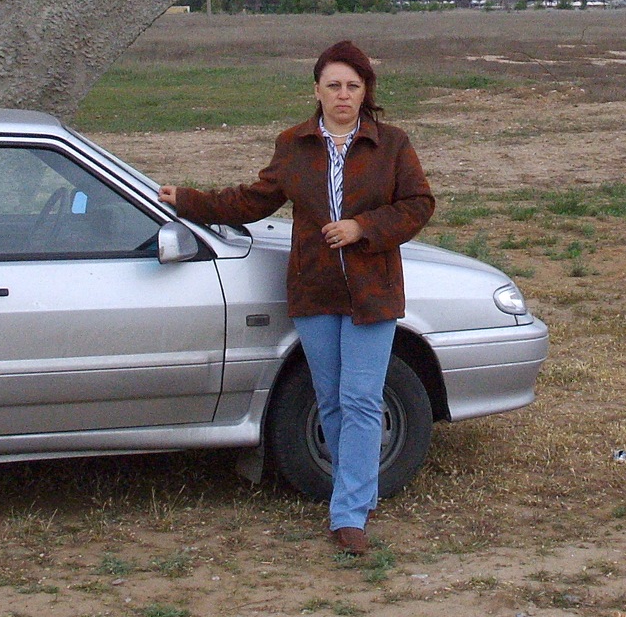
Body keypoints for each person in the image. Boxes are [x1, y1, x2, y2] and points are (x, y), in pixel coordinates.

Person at [158, 39, 433, 557]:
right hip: (314, 290)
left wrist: (362, 227)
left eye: (353, 86)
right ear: (317, 90)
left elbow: (419, 204)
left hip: (373, 293)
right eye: (334, 85)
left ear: (365, 91)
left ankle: (348, 513)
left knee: (360, 399)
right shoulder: (294, 145)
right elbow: (252, 199)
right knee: (329, 399)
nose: (343, 95)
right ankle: (359, 491)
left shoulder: (392, 144)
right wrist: (191, 201)